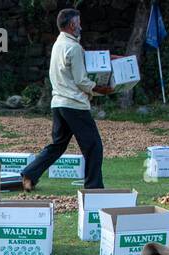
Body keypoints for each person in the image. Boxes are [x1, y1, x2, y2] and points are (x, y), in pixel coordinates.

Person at [20, 7, 111, 191]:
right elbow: (82, 81)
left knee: (57, 145)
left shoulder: (58, 44)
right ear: (72, 25)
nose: (81, 26)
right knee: (94, 146)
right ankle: (94, 187)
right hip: (74, 104)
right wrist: (103, 90)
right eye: (78, 23)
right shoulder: (74, 47)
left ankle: (30, 174)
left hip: (59, 103)